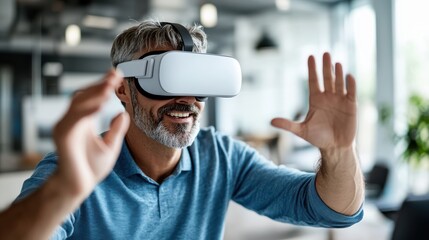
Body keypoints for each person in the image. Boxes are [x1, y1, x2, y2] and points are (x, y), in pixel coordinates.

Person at [0, 19, 364, 239]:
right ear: (123, 88)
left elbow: (332, 211)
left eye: (196, 78)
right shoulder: (75, 167)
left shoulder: (222, 157)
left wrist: (338, 152)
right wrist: (65, 191)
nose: (186, 98)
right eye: (166, 79)